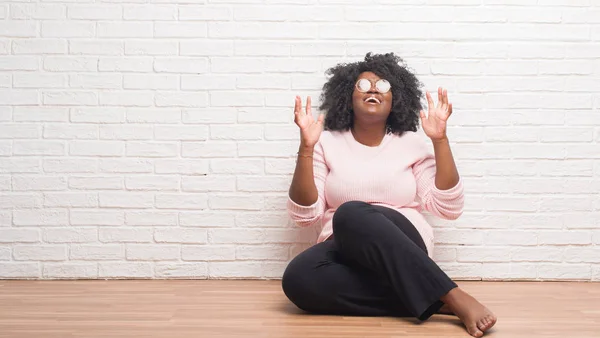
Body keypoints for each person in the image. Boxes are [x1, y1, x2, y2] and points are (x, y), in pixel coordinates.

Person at [281, 52, 497, 337]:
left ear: (395, 99)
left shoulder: (413, 144)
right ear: (348, 96)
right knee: (298, 279)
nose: (373, 89)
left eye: (383, 86)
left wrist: (440, 141)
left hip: (404, 242)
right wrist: (306, 149)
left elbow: (448, 207)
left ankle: (453, 295)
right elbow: (305, 215)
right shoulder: (324, 142)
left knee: (351, 212)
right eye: (363, 85)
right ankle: (432, 299)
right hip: (345, 245)